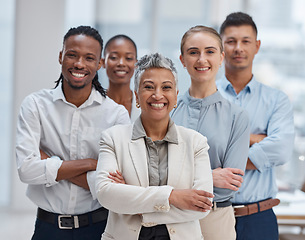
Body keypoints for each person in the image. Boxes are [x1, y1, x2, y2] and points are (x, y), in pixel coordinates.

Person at [15, 26, 130, 240]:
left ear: (99, 63)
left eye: (89, 58)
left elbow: (115, 185)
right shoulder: (35, 106)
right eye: (72, 55)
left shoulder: (115, 115)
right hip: (47, 228)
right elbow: (27, 171)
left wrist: (50, 162)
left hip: (100, 228)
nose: (79, 64)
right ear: (61, 56)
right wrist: (91, 164)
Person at [95, 53, 214, 240]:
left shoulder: (196, 142)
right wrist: (173, 197)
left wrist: (134, 203)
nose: (157, 95)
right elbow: (105, 194)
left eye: (166, 87)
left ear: (175, 96)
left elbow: (202, 205)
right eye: (148, 87)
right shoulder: (113, 138)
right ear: (136, 95)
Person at [217, 12, 295, 240]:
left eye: (245, 41)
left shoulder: (276, 100)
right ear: (221, 48)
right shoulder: (204, 98)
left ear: (257, 46)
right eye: (231, 41)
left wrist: (228, 147)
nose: (238, 48)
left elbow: (280, 149)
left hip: (259, 219)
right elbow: (201, 151)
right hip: (212, 216)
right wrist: (256, 138)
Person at [170, 25, 250, 240]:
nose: (201, 59)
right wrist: (210, 175)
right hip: (170, 217)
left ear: (221, 57)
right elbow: (153, 174)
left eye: (210, 51)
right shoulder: (168, 111)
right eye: (193, 52)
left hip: (215, 220)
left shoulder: (237, 116)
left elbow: (229, 183)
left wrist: (177, 175)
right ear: (182, 59)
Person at [103, 34, 140, 122]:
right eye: (114, 57)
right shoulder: (93, 104)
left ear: (136, 64)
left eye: (128, 58)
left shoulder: (145, 105)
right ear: (103, 62)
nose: (121, 63)